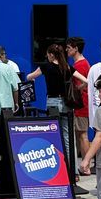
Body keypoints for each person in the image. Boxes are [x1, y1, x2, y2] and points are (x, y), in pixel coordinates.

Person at [27, 43, 73, 174]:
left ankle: (58, 168)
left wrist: (31, 79)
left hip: (53, 102)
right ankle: (71, 169)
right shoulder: (67, 68)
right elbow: (84, 80)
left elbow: (30, 76)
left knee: (53, 135)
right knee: (66, 135)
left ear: (51, 55)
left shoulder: (46, 67)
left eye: (47, 54)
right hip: (66, 104)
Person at [65, 38, 91, 162]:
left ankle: (85, 163)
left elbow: (83, 84)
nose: (67, 50)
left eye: (69, 47)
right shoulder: (83, 63)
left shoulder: (79, 65)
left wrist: (75, 90)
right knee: (80, 134)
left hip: (81, 104)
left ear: (76, 48)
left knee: (82, 134)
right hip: (83, 103)